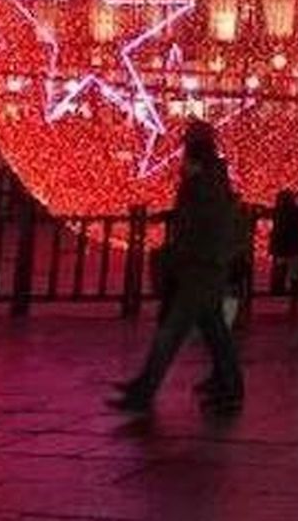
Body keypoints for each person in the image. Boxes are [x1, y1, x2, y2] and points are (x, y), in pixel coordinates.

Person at [111, 123, 244, 413]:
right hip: (205, 267)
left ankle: (144, 391)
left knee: (170, 333)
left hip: (201, 268)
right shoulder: (210, 180)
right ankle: (230, 383)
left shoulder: (203, 182)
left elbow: (205, 225)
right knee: (214, 329)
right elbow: (200, 218)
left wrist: (182, 254)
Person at [268, 189, 298, 299]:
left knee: (280, 266)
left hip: (280, 245)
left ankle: (277, 287)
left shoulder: (277, 211)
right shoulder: (297, 211)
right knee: (295, 268)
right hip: (294, 245)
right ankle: (293, 288)